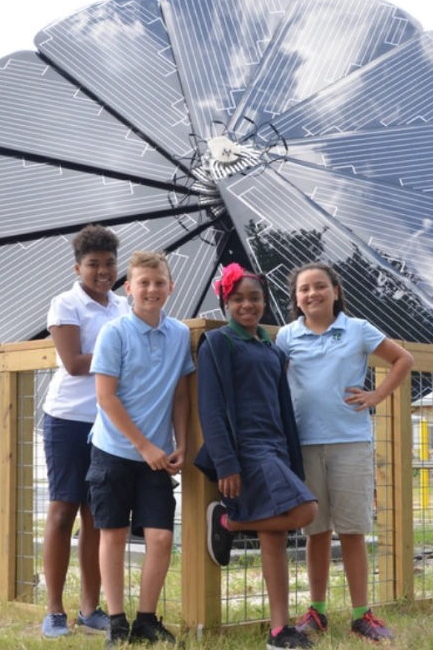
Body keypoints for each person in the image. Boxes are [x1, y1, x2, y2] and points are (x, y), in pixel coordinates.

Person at [276, 262, 414, 645]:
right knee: (316, 530)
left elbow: (403, 359)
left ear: (335, 291)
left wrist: (377, 395)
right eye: (304, 289)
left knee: (352, 530)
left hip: (350, 442)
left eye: (320, 286)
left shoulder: (358, 329)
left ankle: (361, 615)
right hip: (303, 445)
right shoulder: (286, 336)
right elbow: (274, 382)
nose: (312, 294)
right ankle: (316, 612)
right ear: (296, 298)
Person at [196, 263, 318, 649]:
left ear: (265, 302)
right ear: (225, 303)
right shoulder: (218, 343)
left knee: (275, 536)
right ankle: (229, 522)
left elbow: (284, 409)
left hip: (276, 448)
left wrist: (293, 460)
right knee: (306, 511)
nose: (247, 305)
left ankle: (279, 630)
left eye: (255, 298)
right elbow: (210, 408)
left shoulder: (272, 348)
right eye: (238, 299)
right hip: (246, 451)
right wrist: (226, 462)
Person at [88, 250, 194, 647]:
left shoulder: (179, 334)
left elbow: (181, 394)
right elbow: (106, 397)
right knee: (113, 535)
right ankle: (117, 622)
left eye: (159, 282)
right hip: (114, 450)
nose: (152, 289)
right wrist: (144, 445)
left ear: (171, 287)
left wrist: (181, 443)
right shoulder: (114, 333)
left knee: (161, 537)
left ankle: (146, 621)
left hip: (158, 457)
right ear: (129, 288)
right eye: (143, 283)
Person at [41, 224, 129, 638]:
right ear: (78, 267)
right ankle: (54, 611)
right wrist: (121, 355)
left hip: (108, 422)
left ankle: (90, 609)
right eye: (93, 264)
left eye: (109, 263)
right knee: (63, 511)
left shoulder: (123, 306)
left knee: (98, 516)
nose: (103, 271)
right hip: (69, 420)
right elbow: (74, 364)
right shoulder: (65, 304)